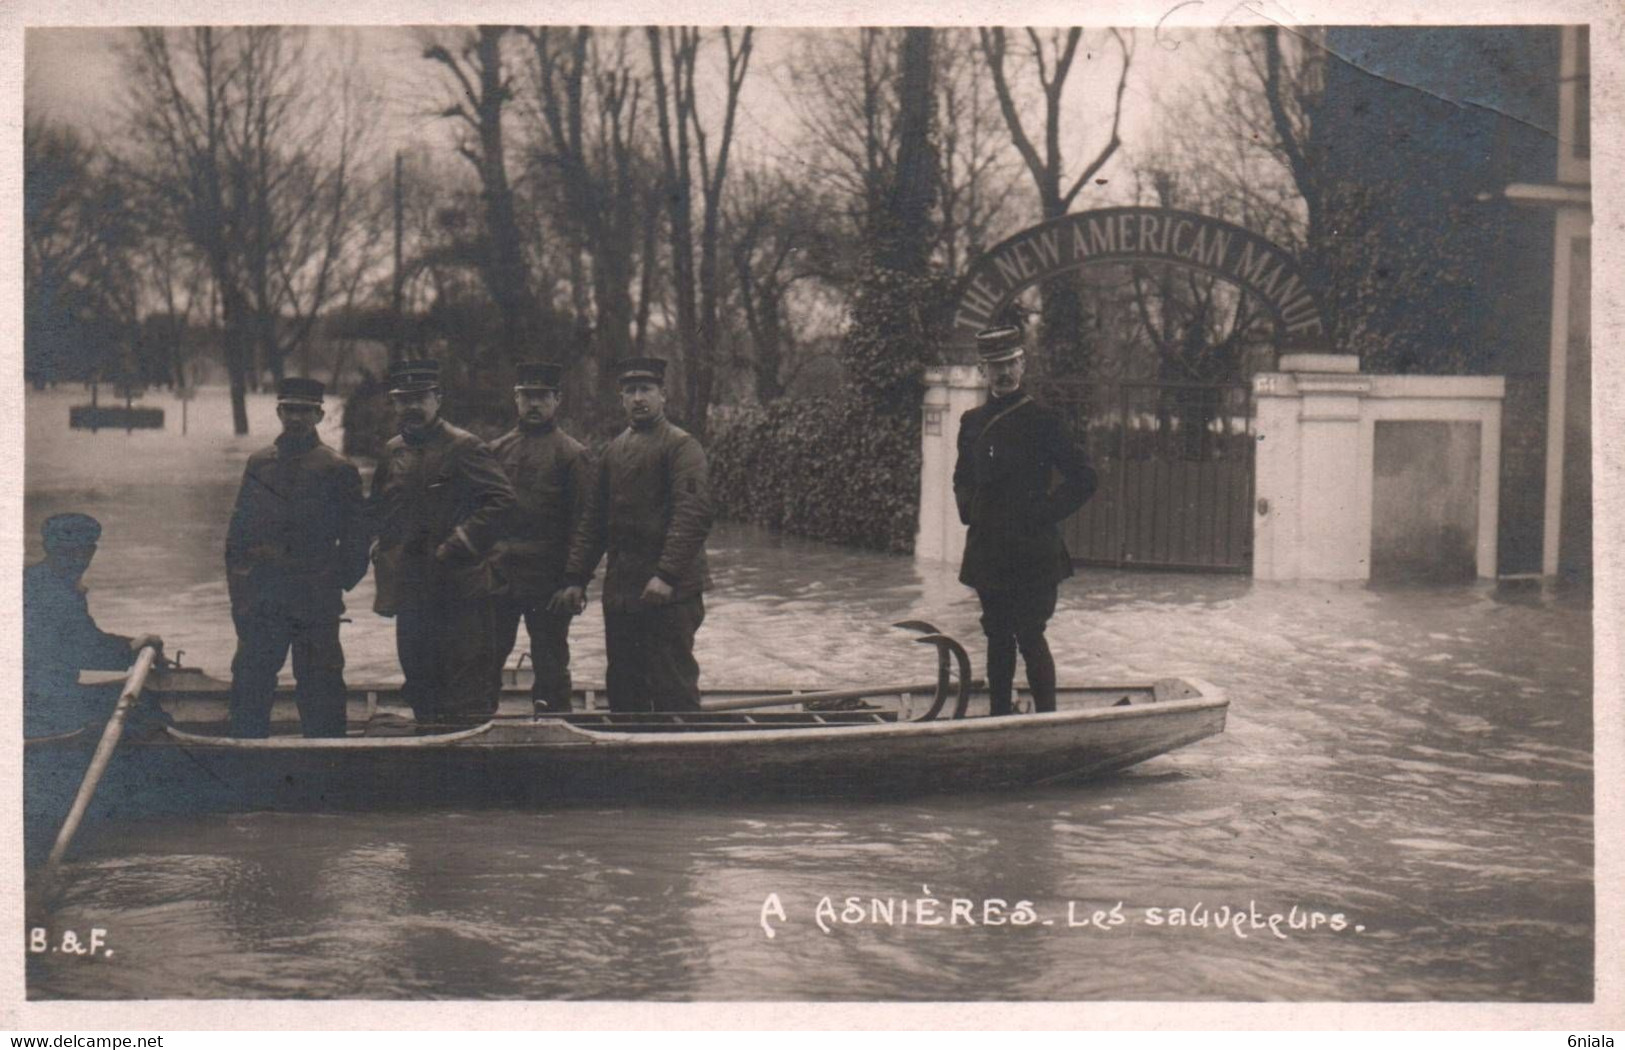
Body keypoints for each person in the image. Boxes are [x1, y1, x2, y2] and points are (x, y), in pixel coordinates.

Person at [953, 325, 1098, 716]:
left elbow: (1085, 477)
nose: (1003, 373)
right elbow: (962, 477)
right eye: (995, 365)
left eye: (1010, 363)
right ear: (983, 370)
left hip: (1034, 550)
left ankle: (1047, 722)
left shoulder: (1044, 420)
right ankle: (999, 719)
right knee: (997, 637)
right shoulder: (971, 421)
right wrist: (969, 511)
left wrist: (1043, 513)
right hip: (988, 550)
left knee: (1030, 634)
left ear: (1022, 364)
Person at [555, 357, 713, 713]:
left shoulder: (682, 446)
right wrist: (575, 578)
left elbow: (693, 515)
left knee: (673, 683)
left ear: (663, 396)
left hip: (669, 593)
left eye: (646, 390)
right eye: (630, 391)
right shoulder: (613, 450)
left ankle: (686, 757)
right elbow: (594, 522)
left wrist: (666, 575)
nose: (638, 398)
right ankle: (630, 757)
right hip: (623, 592)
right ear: (621, 399)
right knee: (624, 685)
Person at [370, 359, 517, 730]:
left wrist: (458, 543)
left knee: (465, 684)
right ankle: (430, 761)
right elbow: (381, 514)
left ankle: (469, 765)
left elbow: (502, 502)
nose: (412, 408)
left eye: (420, 398)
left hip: (460, 589)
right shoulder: (392, 452)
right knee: (419, 677)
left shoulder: (465, 446)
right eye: (404, 400)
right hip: (413, 589)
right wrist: (381, 557)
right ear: (395, 404)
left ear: (438, 399)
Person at [224, 377, 370, 738]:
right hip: (264, 599)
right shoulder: (259, 464)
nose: (296, 418)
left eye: (305, 410)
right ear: (278, 411)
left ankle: (327, 767)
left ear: (319, 415)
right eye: (290, 409)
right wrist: (241, 597)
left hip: (314, 600)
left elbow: (357, 538)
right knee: (250, 680)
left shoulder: (338, 468)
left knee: (321, 685)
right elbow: (237, 539)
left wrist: (333, 583)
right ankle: (244, 759)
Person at [488, 361, 591, 713]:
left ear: (557, 400)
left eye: (542, 397)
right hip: (499, 578)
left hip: (550, 584)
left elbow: (584, 525)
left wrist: (575, 580)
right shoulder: (495, 451)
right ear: (515, 399)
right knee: (484, 658)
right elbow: (480, 518)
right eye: (526, 397)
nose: (534, 405)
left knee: (551, 664)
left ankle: (555, 731)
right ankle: (476, 729)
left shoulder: (572, 455)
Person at [23, 513, 163, 738]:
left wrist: (135, 645)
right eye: (68, 552)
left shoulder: (37, 580)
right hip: (39, 706)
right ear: (49, 548)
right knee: (144, 703)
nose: (79, 560)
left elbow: (82, 640)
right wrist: (134, 647)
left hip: (35, 699)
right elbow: (84, 651)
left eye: (83, 551)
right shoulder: (53, 590)